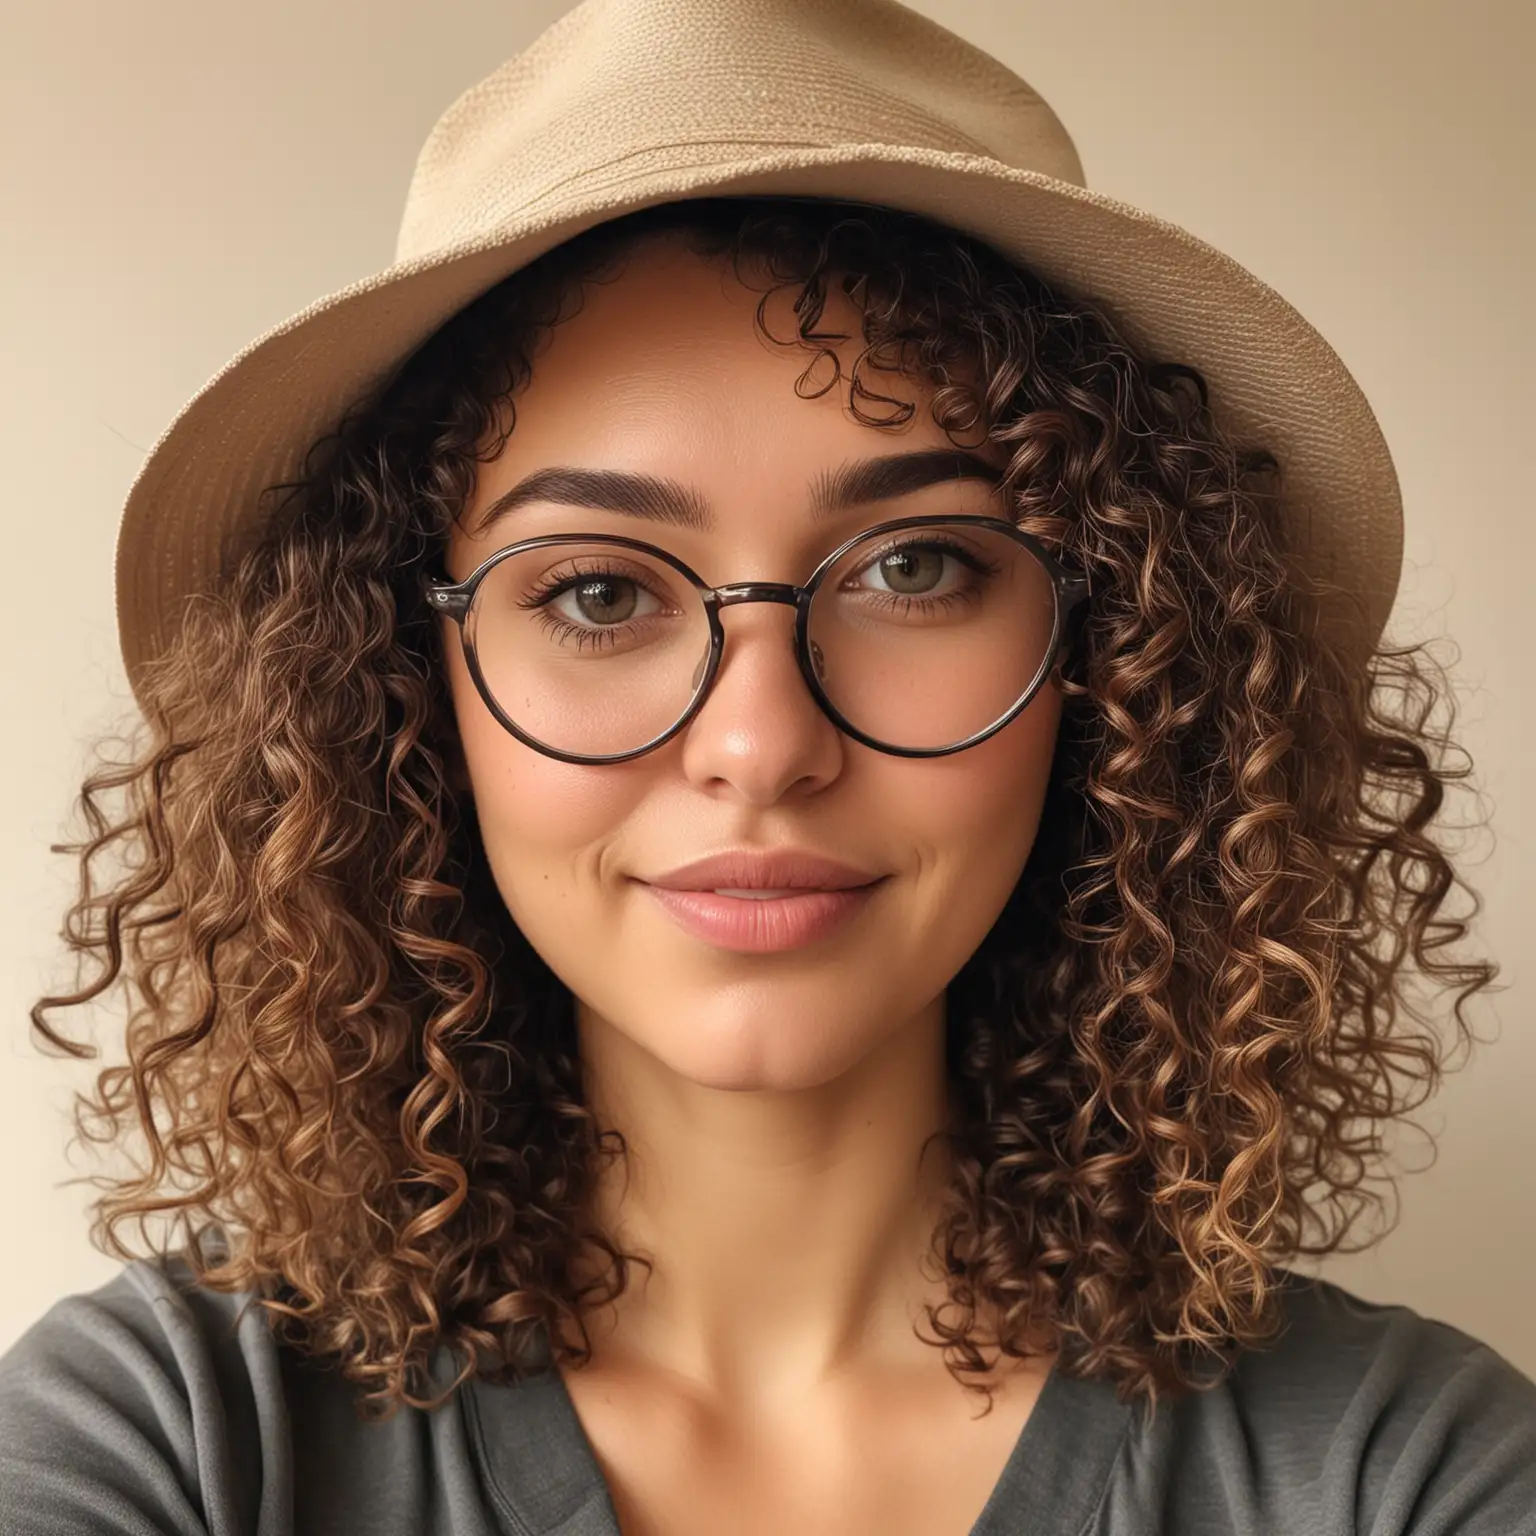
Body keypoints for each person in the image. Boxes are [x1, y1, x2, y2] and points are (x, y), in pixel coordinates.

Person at [3, 0, 1533, 1532]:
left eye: (918, 568)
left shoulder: (1406, 1472)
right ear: (404, 691)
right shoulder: (169, 1441)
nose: (759, 744)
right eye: (597, 593)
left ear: (1118, 662)